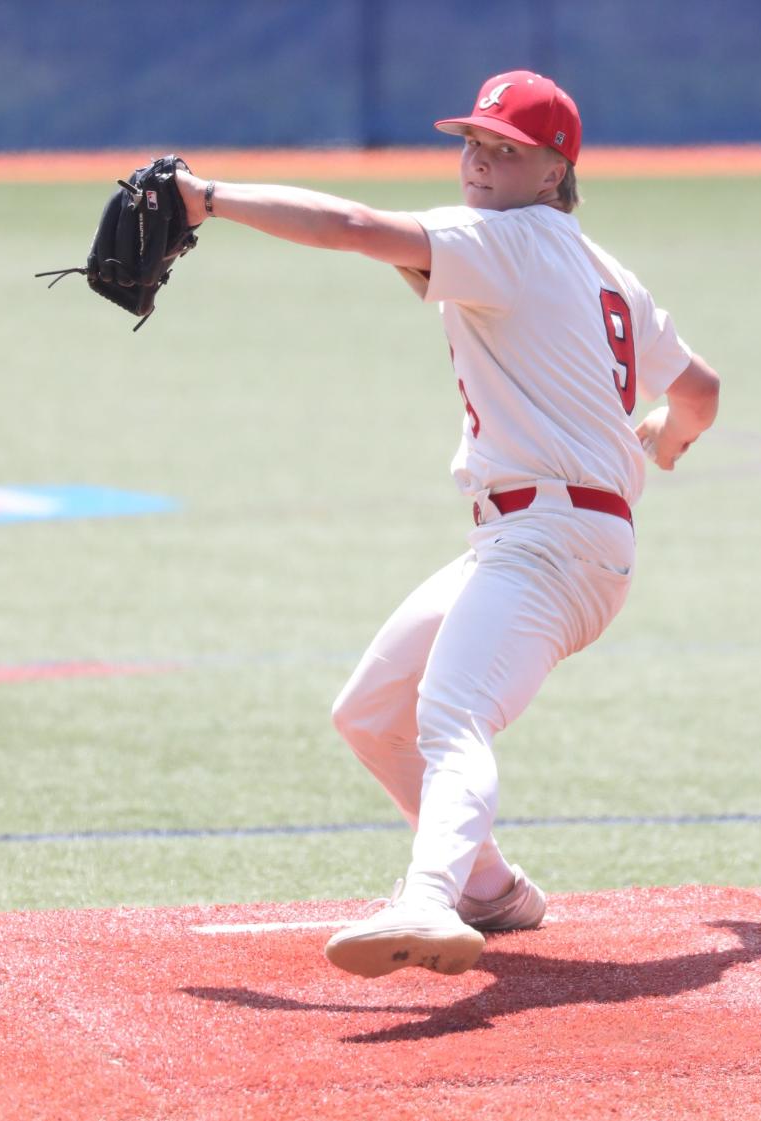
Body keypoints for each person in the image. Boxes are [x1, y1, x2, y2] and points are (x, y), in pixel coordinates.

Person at [175, 70, 720, 980]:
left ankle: (428, 897)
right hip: (539, 537)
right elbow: (699, 389)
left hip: (551, 544)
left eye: (505, 149)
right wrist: (667, 437)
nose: (479, 158)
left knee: (451, 713)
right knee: (369, 712)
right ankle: (491, 888)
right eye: (472, 140)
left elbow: (353, 229)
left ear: (554, 172)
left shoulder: (505, 243)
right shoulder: (601, 268)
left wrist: (210, 198)